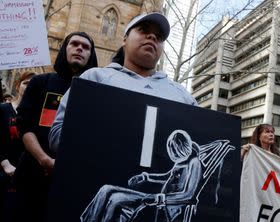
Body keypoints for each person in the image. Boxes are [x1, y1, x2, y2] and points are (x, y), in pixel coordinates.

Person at [0, 32, 97, 222]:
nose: (79, 49)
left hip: (69, 190)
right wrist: (44, 159)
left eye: (85, 47)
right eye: (74, 44)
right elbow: (25, 126)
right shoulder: (41, 82)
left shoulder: (96, 93)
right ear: (65, 49)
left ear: (92, 55)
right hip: (30, 180)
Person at [49, 12, 197, 153]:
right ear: (124, 39)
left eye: (159, 36)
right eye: (143, 30)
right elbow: (57, 136)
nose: (152, 36)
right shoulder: (94, 79)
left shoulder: (183, 95)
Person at [81, 130, 202, 222]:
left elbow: (188, 195)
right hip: (157, 199)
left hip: (166, 205)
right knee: (107, 189)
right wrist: (146, 176)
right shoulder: (182, 161)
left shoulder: (195, 163)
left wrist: (158, 198)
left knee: (117, 199)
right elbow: (167, 176)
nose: (174, 157)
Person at [0, 72, 36, 222]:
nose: (28, 87)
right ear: (17, 86)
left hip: (23, 176)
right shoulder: (4, 110)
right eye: (26, 83)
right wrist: (5, 164)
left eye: (32, 84)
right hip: (3, 172)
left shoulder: (33, 116)